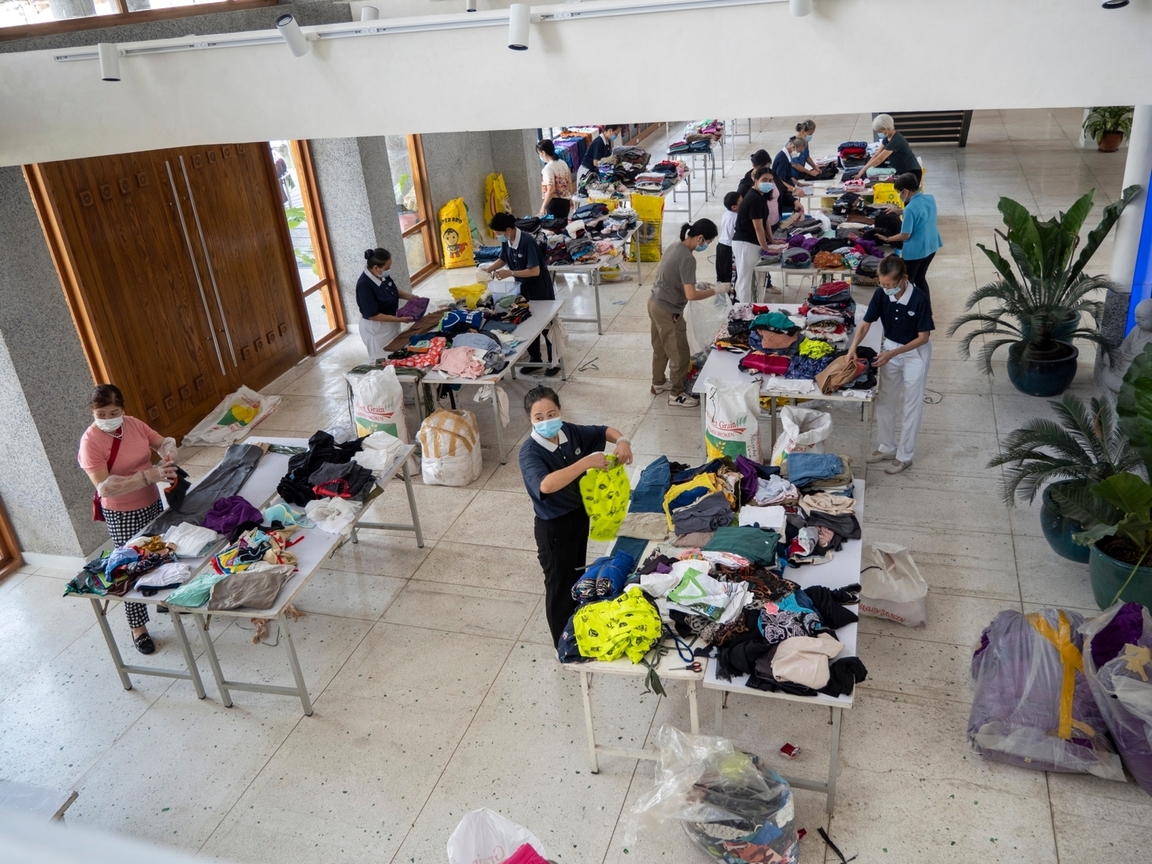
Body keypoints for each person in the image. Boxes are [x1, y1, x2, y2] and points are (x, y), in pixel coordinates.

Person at [518, 385, 633, 646]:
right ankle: (563, 643)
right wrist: (584, 463)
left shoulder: (567, 431)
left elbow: (605, 431)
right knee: (559, 586)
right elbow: (545, 485)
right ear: (530, 420)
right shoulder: (530, 453)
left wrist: (623, 440)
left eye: (551, 413)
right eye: (539, 417)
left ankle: (578, 628)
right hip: (554, 528)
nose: (547, 421)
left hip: (579, 517)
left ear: (559, 411)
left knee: (577, 577)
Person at [78, 384, 179, 655]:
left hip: (151, 502)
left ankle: (162, 597)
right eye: (102, 412)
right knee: (129, 566)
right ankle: (138, 628)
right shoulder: (91, 441)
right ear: (93, 411)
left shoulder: (133, 424)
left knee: (160, 553)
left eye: (114, 411)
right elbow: (105, 487)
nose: (109, 418)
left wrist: (168, 451)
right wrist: (149, 476)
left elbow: (161, 442)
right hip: (122, 512)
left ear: (123, 409)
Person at [845, 255, 934, 475]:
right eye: (882, 284)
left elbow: (923, 337)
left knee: (911, 405)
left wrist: (892, 353)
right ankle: (886, 446)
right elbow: (866, 324)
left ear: (904, 278)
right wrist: (852, 347)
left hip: (915, 353)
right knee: (885, 400)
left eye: (890, 285)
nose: (886, 289)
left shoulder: (919, 299)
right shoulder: (881, 295)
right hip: (891, 348)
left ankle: (905, 455)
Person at [648, 218, 728, 408]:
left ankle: (657, 383)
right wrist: (717, 290)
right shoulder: (688, 258)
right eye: (707, 242)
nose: (706, 246)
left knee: (660, 348)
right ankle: (677, 394)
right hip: (668, 310)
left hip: (654, 303)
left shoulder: (676, 246)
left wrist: (696, 282)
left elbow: (673, 275)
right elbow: (691, 295)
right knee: (679, 354)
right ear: (700, 238)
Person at [484, 212, 557, 374]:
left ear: (508, 230)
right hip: (522, 287)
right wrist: (488, 270)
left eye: (499, 233)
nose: (498, 236)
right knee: (527, 320)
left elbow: (534, 271)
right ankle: (535, 359)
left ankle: (555, 361)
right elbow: (503, 258)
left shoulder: (527, 242)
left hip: (539, 287)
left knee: (546, 323)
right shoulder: (508, 241)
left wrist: (510, 273)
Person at [874, 172, 942, 301]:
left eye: (899, 192)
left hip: (916, 252)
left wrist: (888, 239)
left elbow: (905, 235)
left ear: (905, 191)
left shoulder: (910, 208)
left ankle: (908, 308)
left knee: (907, 282)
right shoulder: (929, 198)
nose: (899, 195)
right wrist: (899, 211)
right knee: (920, 279)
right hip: (932, 246)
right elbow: (921, 213)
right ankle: (925, 308)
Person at [356, 248, 418, 361]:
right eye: (387, 268)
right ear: (376, 268)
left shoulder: (380, 275)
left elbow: (392, 289)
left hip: (391, 323)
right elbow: (373, 315)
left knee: (395, 354)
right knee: (382, 359)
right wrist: (400, 319)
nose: (389, 270)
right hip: (377, 329)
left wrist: (411, 297)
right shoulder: (364, 286)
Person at [731, 167, 779, 304]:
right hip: (745, 243)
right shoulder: (754, 198)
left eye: (771, 180)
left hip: (751, 243)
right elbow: (758, 228)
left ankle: (753, 306)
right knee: (746, 279)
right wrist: (767, 248)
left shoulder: (760, 197)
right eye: (764, 180)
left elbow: (766, 220)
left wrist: (772, 240)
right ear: (756, 181)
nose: (768, 183)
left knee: (753, 278)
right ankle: (743, 310)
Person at [1101, 298, 1152, 401]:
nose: (1137, 321)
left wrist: (1134, 358)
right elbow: (1127, 341)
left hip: (1139, 365)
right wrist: (1123, 349)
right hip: (1126, 359)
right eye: (1136, 317)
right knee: (1108, 356)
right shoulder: (1136, 329)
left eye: (1142, 319)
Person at [850, 114, 922, 185]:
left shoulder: (896, 140)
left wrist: (863, 170)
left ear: (886, 129)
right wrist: (862, 170)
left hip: (912, 173)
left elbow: (879, 160)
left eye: (880, 131)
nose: (879, 133)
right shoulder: (887, 138)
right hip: (902, 171)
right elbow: (877, 155)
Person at [536, 140, 573, 219]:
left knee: (554, 229)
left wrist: (543, 206)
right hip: (565, 202)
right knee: (563, 227)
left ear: (543, 153)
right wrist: (570, 198)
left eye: (539, 154)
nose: (540, 156)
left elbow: (551, 190)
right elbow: (569, 182)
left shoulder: (548, 168)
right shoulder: (563, 163)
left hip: (554, 204)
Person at [771, 137, 806, 213]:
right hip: (783, 196)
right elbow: (779, 180)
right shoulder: (783, 160)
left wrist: (798, 183)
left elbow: (786, 175)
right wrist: (794, 189)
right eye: (799, 151)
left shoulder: (786, 156)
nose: (799, 153)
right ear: (793, 147)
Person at [716, 191, 742, 285]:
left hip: (720, 246)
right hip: (730, 249)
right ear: (734, 207)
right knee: (730, 276)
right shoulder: (737, 218)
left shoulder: (725, 214)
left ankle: (720, 297)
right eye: (741, 201)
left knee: (721, 275)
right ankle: (730, 298)